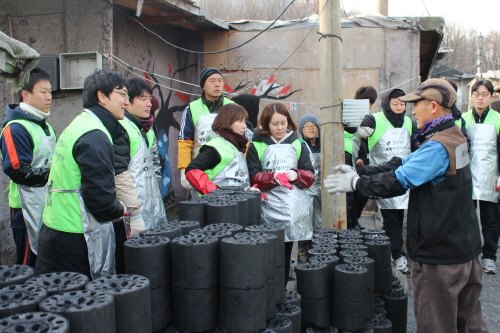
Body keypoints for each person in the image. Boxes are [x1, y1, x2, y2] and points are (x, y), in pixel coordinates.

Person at [324, 78, 488, 333]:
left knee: (437, 325)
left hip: (440, 257)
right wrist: (363, 171)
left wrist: (356, 184)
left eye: (416, 104)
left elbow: (399, 180)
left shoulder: (437, 147)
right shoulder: (454, 136)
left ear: (433, 106)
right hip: (466, 249)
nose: (412, 110)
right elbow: (404, 163)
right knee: (469, 323)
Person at [35, 70, 129, 279]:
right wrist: (122, 209)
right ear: (102, 97)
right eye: (122, 94)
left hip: (55, 227)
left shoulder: (79, 125)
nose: (127, 102)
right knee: (81, 302)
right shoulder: (94, 135)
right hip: (76, 236)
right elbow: (101, 201)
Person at [246, 102, 315, 284]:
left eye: (283, 123)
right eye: (275, 124)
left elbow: (310, 176)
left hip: (292, 209)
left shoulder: (298, 144)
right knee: (268, 255)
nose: (280, 128)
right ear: (266, 124)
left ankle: (282, 293)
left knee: (284, 255)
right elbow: (253, 176)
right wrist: (273, 176)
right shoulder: (256, 146)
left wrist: (296, 174)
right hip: (267, 207)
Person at [352, 88, 412, 273]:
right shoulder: (374, 120)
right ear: (387, 103)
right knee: (391, 215)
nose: (399, 107)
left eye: (402, 104)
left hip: (405, 174)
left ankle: (392, 250)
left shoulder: (409, 121)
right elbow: (355, 135)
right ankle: (396, 254)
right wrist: (359, 161)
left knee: (399, 215)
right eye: (395, 103)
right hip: (381, 175)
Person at [0, 68, 55, 267]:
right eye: (43, 92)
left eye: (50, 92)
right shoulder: (16, 128)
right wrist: (55, 175)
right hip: (25, 209)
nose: (49, 97)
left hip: (45, 205)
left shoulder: (45, 126)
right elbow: (17, 170)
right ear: (26, 94)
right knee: (28, 264)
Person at [461, 80, 499, 274]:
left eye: (484, 94)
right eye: (476, 94)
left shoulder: (498, 120)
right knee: (467, 218)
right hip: (468, 176)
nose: (480, 97)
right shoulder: (463, 119)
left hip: (491, 176)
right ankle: (469, 253)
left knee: (491, 219)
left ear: (491, 96)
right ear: (472, 96)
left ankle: (490, 256)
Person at [119, 77, 166, 234]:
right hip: (131, 211)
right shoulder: (121, 129)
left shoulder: (146, 129)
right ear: (127, 101)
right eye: (142, 99)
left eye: (149, 99)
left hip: (151, 206)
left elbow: (155, 169)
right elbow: (119, 175)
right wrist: (133, 214)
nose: (149, 104)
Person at [178, 67, 235, 191]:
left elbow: (243, 139)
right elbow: (185, 141)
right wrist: (184, 170)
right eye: (212, 81)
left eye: (220, 81)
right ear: (203, 85)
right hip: (200, 169)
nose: (217, 84)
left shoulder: (233, 107)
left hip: (229, 169)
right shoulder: (192, 108)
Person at [185, 104, 250, 195]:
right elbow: (192, 170)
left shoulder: (236, 147)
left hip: (232, 205)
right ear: (228, 122)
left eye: (245, 122)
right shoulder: (217, 146)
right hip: (214, 206)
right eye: (240, 121)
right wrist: (215, 193)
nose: (244, 126)